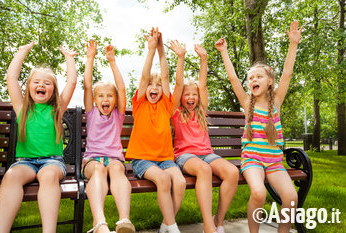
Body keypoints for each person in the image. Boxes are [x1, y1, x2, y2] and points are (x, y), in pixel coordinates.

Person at [215, 20, 303, 233]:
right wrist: (224, 52)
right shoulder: (247, 103)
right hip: (252, 160)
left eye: (259, 76)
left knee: (291, 196)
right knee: (259, 194)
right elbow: (234, 79)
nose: (253, 79)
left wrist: (293, 44)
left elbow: (287, 75)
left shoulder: (277, 103)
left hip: (273, 162)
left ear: (269, 81)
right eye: (251, 77)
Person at [0, 41, 77, 233]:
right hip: (25, 163)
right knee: (11, 176)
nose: (41, 85)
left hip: (52, 162)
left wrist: (69, 58)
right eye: (37, 82)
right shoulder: (22, 108)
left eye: (47, 83)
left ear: (52, 90)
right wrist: (21, 52)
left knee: (48, 176)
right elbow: (11, 78)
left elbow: (71, 82)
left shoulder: (56, 110)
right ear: (29, 88)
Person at [170, 41, 239, 233]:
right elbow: (177, 84)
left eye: (194, 94)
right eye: (186, 95)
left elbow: (203, 84)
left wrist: (204, 58)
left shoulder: (201, 111)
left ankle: (219, 221)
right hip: (185, 156)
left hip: (207, 154)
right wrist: (181, 58)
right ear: (180, 98)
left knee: (233, 172)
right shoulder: (175, 111)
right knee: (204, 169)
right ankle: (208, 226)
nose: (190, 97)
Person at [125, 28, 186, 233]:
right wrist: (151, 49)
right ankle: (173, 228)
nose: (154, 88)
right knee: (163, 179)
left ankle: (166, 224)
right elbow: (144, 78)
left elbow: (167, 76)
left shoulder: (166, 106)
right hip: (143, 159)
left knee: (179, 182)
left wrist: (162, 50)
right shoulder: (140, 104)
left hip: (165, 159)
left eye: (157, 85)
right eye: (151, 85)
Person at [83, 40, 135, 233]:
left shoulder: (118, 115)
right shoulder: (91, 113)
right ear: (95, 100)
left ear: (115, 101)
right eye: (101, 96)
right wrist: (91, 58)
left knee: (116, 170)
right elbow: (87, 86)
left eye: (110, 96)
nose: (106, 99)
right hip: (92, 160)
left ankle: (124, 221)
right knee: (98, 170)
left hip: (114, 159)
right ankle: (100, 224)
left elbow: (122, 89)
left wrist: (112, 62)